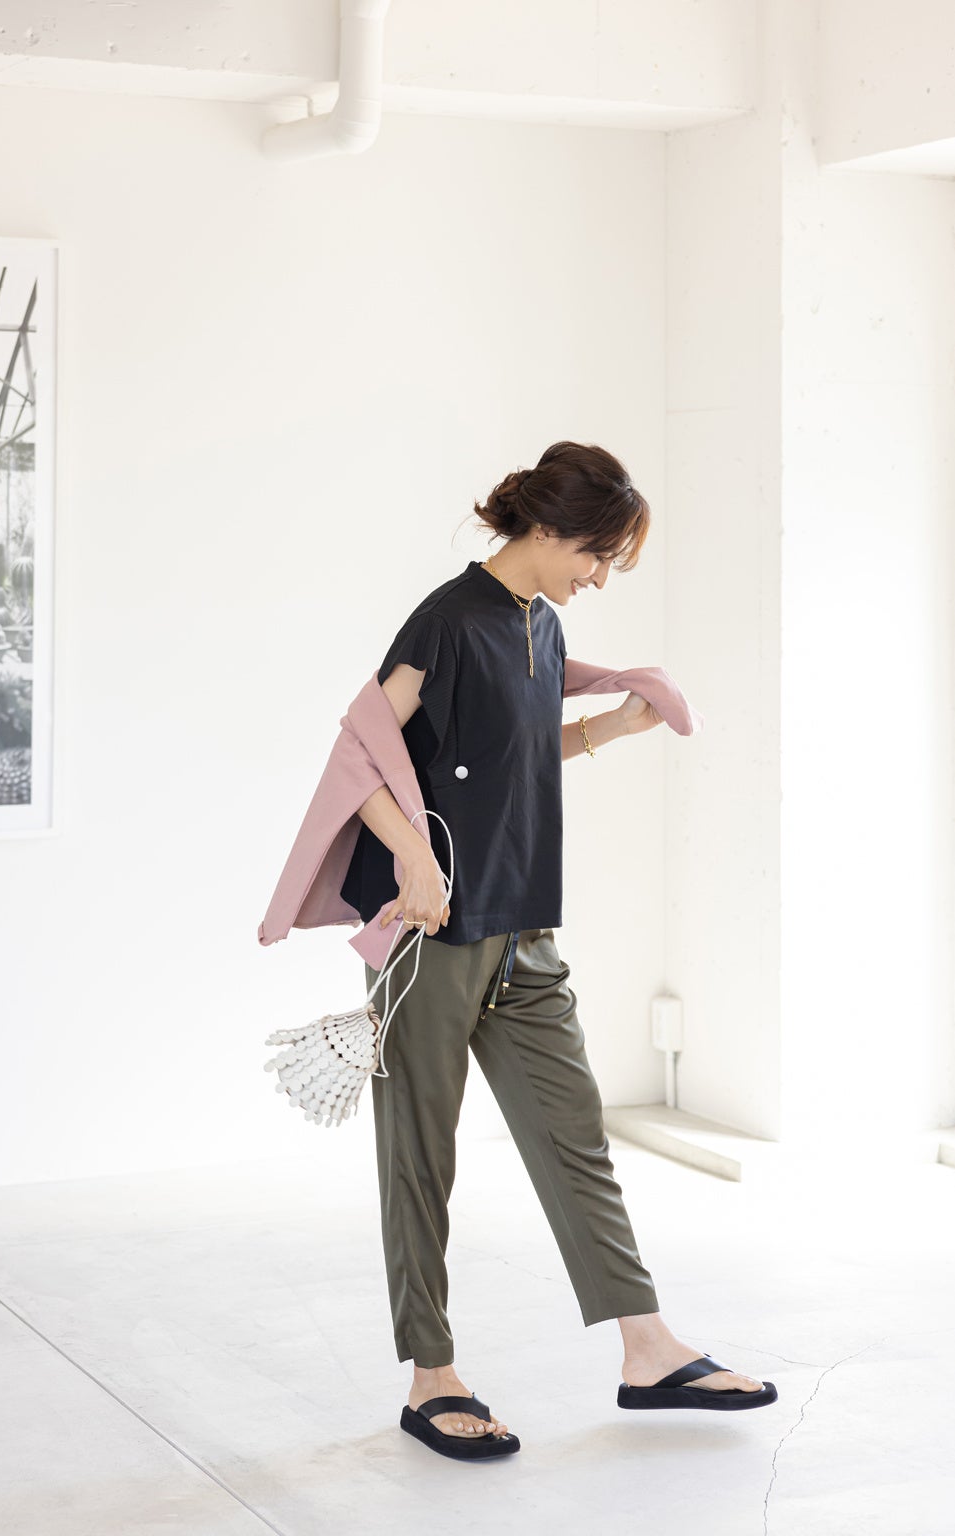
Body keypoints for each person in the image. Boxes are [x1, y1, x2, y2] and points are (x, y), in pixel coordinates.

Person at [339, 441, 777, 1461]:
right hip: (431, 936)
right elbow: (357, 752)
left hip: (522, 927)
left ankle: (646, 1349)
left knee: (575, 1135)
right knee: (420, 1155)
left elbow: (521, 757)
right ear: (542, 529)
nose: (599, 576)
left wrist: (614, 725)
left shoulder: (540, 622)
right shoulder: (447, 621)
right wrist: (411, 854)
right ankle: (431, 1377)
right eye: (594, 554)